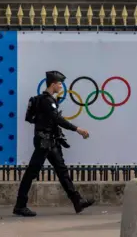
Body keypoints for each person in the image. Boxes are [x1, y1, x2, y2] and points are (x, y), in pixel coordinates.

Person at [13, 70, 95, 217]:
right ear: (53, 84)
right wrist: (78, 129)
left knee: (62, 171)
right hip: (44, 142)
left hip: (50, 141)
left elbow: (37, 119)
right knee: (31, 173)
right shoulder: (46, 100)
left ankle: (78, 201)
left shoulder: (46, 100)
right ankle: (20, 205)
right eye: (60, 84)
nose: (62, 87)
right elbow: (58, 119)